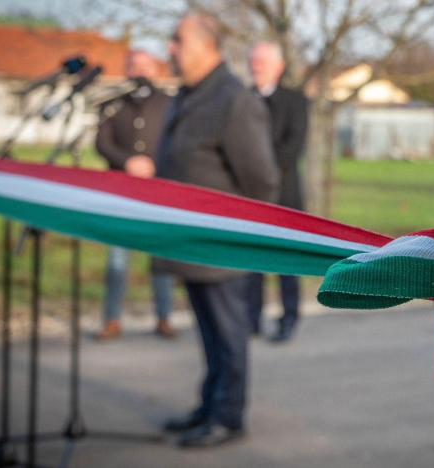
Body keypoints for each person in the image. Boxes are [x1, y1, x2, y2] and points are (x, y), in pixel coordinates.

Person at [157, 14, 280, 447]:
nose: (170, 48)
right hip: (191, 243)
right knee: (210, 335)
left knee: (229, 336)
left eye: (177, 39)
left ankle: (228, 417)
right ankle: (209, 405)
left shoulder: (233, 100)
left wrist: (236, 234)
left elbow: (262, 182)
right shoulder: (189, 94)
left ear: (206, 45)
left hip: (222, 247)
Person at [94, 50, 176, 340]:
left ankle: (164, 317)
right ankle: (112, 319)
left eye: (146, 65)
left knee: (161, 257)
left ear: (155, 69)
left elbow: (177, 141)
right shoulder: (112, 103)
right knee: (117, 259)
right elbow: (102, 143)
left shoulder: (169, 102)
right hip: (122, 191)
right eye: (135, 66)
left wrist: (155, 164)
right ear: (127, 70)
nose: (140, 71)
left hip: (158, 190)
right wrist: (127, 161)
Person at [246, 42, 309, 342]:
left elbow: (293, 146)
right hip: (249, 196)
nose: (256, 66)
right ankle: (251, 318)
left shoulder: (295, 101)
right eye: (253, 61)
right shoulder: (241, 99)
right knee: (252, 263)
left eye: (262, 61)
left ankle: (289, 317)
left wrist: (259, 172)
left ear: (279, 66)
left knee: (286, 262)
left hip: (284, 195)